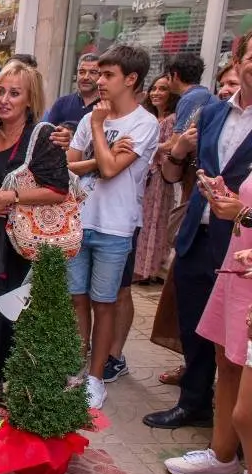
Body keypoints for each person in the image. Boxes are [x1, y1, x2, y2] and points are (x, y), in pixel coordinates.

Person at [146, 31, 252, 430]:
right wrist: (177, 151)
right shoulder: (211, 114)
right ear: (238, 60)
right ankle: (194, 403)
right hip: (198, 233)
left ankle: (234, 427)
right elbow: (176, 174)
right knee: (194, 324)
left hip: (243, 245)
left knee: (234, 340)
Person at [0, 60, 69, 405]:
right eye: (1, 92)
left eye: (15, 93)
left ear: (29, 99)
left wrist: (12, 196)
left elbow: (59, 190)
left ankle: (16, 389)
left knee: (17, 315)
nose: (5, 99)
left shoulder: (44, 137)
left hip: (26, 246)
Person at [66, 45, 159, 409]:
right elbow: (70, 165)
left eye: (108, 75)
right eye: (98, 74)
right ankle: (75, 368)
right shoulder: (93, 116)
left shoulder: (144, 123)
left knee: (104, 304)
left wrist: (98, 129)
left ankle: (96, 377)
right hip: (79, 221)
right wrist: (100, 147)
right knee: (77, 299)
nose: (99, 82)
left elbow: (109, 170)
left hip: (115, 227)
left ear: (131, 79)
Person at [163, 170, 252, 474]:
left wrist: (241, 213)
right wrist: (228, 199)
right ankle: (222, 454)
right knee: (225, 361)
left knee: (246, 392)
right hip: (238, 262)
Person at [133, 75, 179, 283]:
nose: (156, 93)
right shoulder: (149, 117)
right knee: (143, 221)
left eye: (163, 89)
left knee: (154, 222)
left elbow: (172, 147)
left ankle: (150, 269)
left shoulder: (172, 120)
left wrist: (146, 146)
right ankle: (141, 267)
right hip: (144, 177)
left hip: (160, 178)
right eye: (154, 88)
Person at [45, 54, 100, 130]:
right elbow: (47, 134)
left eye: (93, 72)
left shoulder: (106, 106)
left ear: (101, 76)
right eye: (82, 72)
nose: (86, 77)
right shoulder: (62, 103)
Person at [168, 51, 213, 134]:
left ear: (175, 76)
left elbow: (176, 142)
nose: (167, 82)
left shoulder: (189, 99)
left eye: (168, 77)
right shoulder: (204, 94)